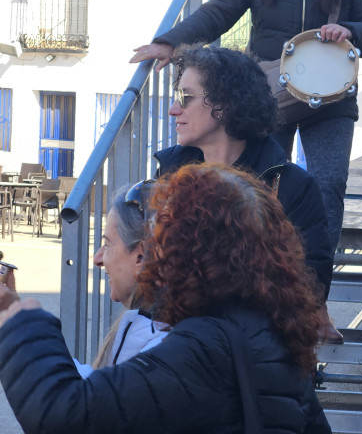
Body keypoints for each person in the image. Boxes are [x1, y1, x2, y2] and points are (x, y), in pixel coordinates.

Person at [130, 0, 362, 253]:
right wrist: (170, 42)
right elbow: (220, 10)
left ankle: (313, 282)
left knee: (329, 186)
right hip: (271, 95)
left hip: (331, 101)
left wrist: (348, 30)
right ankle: (261, 266)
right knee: (261, 184)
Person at [0, 163, 330, 433]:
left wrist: (19, 318)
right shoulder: (268, 332)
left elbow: (66, 414)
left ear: (192, 246)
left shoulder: (207, 348)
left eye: (166, 231)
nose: (158, 245)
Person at [153, 44, 341, 343]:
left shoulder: (291, 185)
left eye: (185, 98)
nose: (173, 109)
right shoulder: (169, 176)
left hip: (257, 345)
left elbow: (311, 285)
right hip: (178, 339)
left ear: (224, 104)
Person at [75, 181, 169, 377]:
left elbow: (87, 403)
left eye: (107, 244)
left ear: (141, 257)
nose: (98, 258)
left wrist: (15, 324)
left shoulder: (160, 350)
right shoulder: (153, 329)